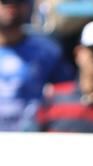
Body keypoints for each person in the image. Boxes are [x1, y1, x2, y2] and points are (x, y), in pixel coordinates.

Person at [0, 0, 73, 132]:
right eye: (5, 1)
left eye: (19, 1)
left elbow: (69, 94)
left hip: (33, 137)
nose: (12, 5)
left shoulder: (47, 51)